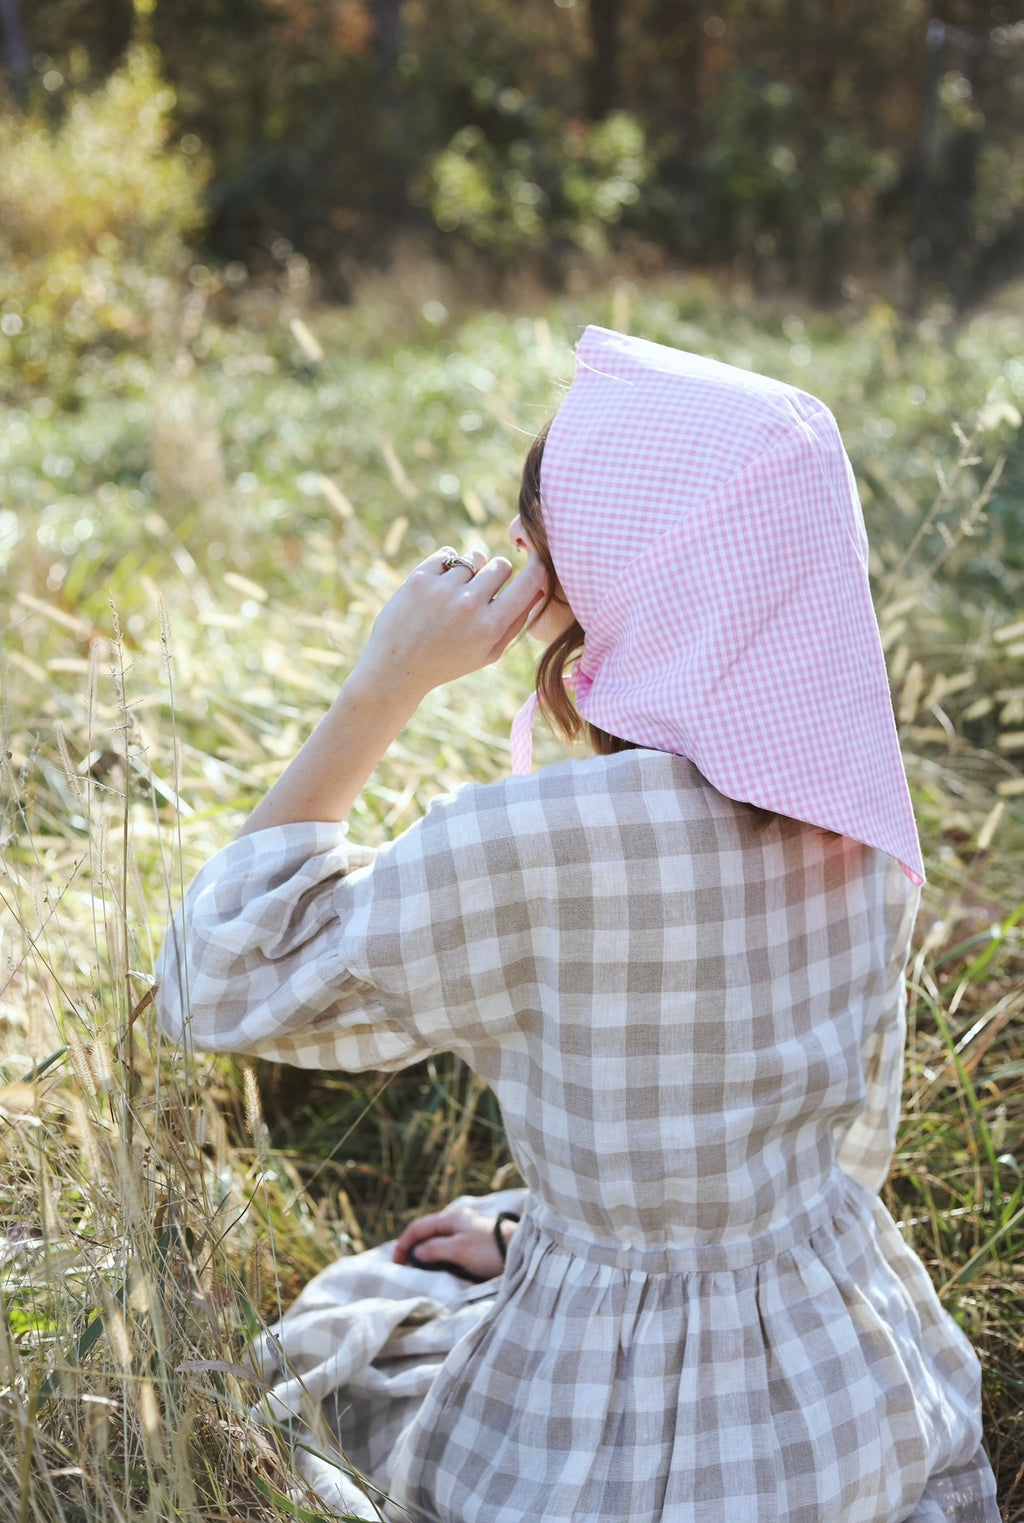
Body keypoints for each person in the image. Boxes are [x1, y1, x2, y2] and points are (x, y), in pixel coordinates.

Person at [156, 326, 998, 1522]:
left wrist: (380, 683)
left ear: (587, 582)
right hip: (845, 1392)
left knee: (348, 1333)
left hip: (610, 1435)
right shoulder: (853, 807)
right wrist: (544, 1233)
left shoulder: (540, 840)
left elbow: (212, 978)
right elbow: (826, 1153)